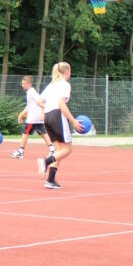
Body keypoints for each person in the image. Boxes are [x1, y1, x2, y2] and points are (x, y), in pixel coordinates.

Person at [37, 61, 84, 190]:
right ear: (67, 72)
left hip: (47, 117)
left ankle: (50, 180)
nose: (70, 73)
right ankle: (45, 162)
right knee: (67, 150)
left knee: (58, 152)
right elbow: (62, 105)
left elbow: (39, 101)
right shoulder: (65, 85)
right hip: (57, 116)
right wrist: (73, 121)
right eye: (70, 71)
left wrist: (48, 107)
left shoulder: (51, 85)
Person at [10, 74, 54, 160]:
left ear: (29, 84)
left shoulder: (32, 92)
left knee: (25, 133)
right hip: (36, 118)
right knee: (43, 133)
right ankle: (52, 150)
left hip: (33, 119)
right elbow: (28, 107)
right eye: (22, 83)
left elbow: (41, 101)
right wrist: (21, 115)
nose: (22, 85)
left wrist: (42, 113)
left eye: (24, 83)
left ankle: (20, 152)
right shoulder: (30, 92)